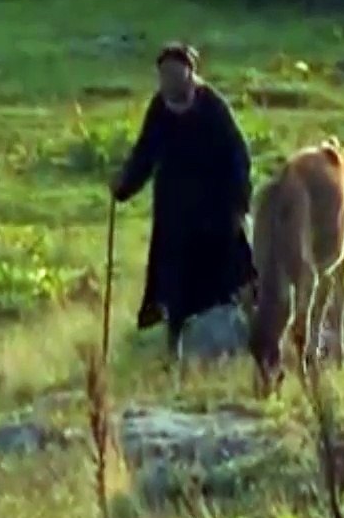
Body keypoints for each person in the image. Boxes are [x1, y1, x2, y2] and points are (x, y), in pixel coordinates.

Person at [109, 41, 257, 361]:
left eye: (178, 75)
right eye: (166, 76)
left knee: (221, 286)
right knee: (175, 288)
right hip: (175, 213)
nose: (172, 83)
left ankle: (228, 346)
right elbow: (145, 155)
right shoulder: (159, 110)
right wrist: (123, 186)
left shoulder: (213, 108)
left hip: (215, 215)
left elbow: (239, 158)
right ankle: (175, 348)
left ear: (191, 75)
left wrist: (238, 206)